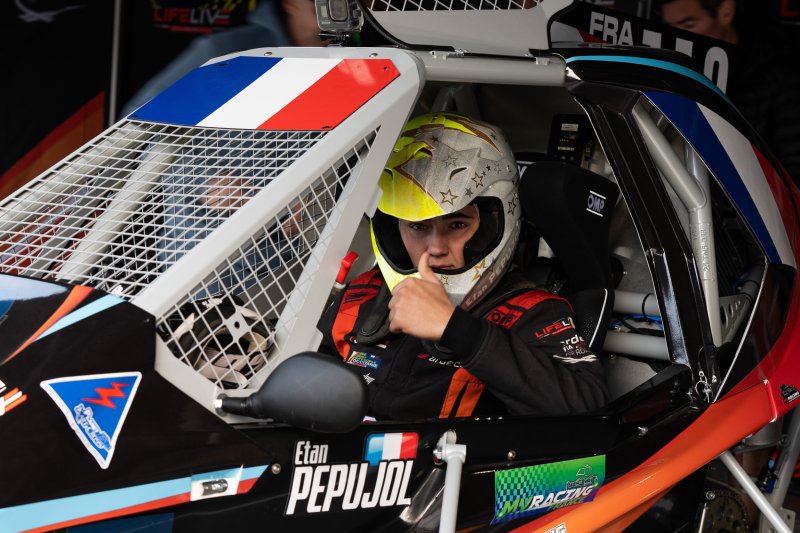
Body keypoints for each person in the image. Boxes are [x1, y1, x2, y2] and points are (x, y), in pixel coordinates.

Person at [317, 113, 608, 420]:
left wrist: (457, 329)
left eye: (457, 224)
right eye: (418, 226)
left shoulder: (532, 312)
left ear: (494, 224)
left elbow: (587, 408)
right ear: (393, 228)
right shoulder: (363, 294)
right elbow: (301, 380)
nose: (436, 248)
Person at [655, 0, 800, 187]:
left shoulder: (777, 75)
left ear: (726, 12)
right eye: (669, 26)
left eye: (688, 25)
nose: (677, 35)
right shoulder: (669, 67)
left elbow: (794, 165)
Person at [120, 0, 326, 118]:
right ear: (291, 3)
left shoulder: (344, 62)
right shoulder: (228, 50)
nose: (333, 12)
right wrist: (206, 174)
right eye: (321, 4)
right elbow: (137, 118)